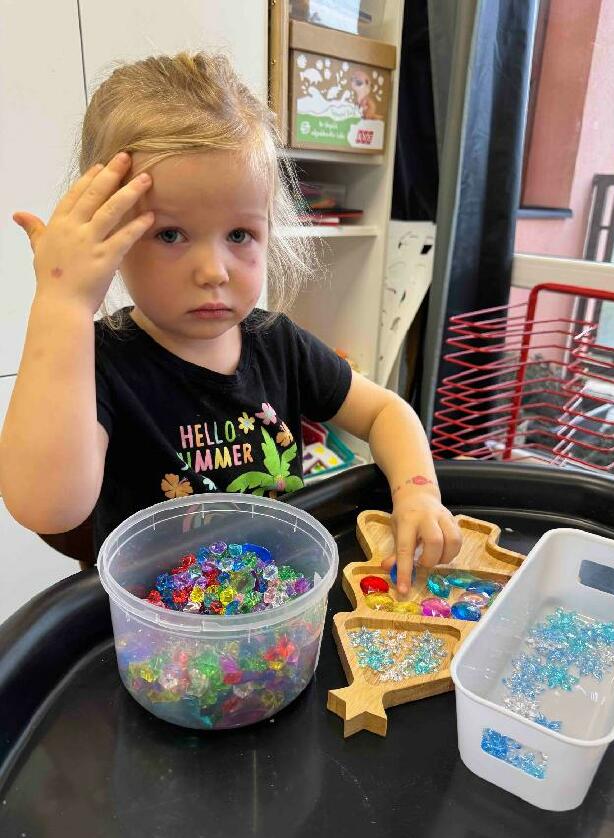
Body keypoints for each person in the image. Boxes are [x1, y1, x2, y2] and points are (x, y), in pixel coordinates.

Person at [0, 51, 461, 594]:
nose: (213, 271)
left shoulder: (276, 342)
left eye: (239, 235)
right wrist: (63, 306)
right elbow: (47, 508)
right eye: (170, 235)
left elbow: (386, 412)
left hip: (277, 604)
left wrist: (417, 492)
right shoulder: (98, 360)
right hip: (158, 626)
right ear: (110, 237)